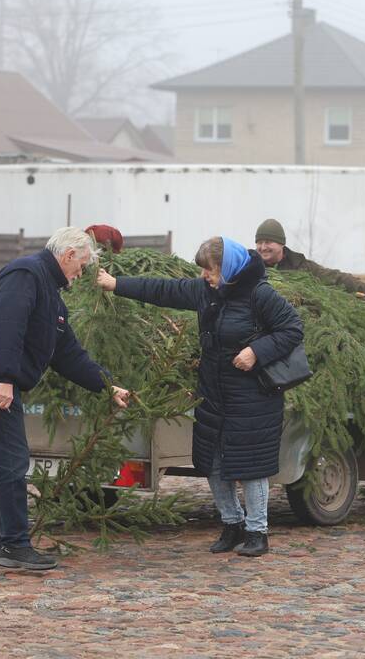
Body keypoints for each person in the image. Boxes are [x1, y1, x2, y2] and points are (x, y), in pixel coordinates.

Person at [97, 236, 303, 557]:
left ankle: (257, 532)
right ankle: (231, 525)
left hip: (252, 397)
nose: (205, 276)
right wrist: (116, 283)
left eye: (211, 270)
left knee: (250, 467)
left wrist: (255, 351)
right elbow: (161, 290)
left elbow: (291, 329)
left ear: (229, 266)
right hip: (213, 393)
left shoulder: (260, 294)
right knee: (213, 462)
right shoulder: (206, 292)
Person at [0, 227, 130, 571]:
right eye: (80, 268)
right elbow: (6, 326)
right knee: (14, 459)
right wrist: (5, 379)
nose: (80, 276)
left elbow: (69, 355)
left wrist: (107, 386)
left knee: (7, 459)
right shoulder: (26, 275)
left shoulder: (51, 296)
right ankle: (15, 547)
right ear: (67, 256)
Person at [254, 218, 365, 296]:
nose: (263, 247)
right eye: (259, 242)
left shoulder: (301, 267)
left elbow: (337, 279)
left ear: (281, 244)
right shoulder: (251, 268)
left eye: (268, 242)